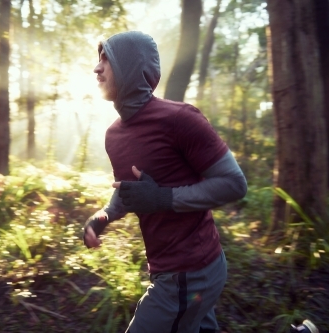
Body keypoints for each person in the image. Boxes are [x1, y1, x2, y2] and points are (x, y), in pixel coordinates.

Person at [83, 31, 247, 333]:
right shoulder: (114, 135)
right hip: (168, 270)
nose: (96, 68)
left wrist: (163, 199)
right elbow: (129, 191)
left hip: (190, 272)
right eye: (98, 60)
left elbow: (234, 183)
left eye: (107, 59)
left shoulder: (180, 119)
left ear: (132, 68)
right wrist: (103, 218)